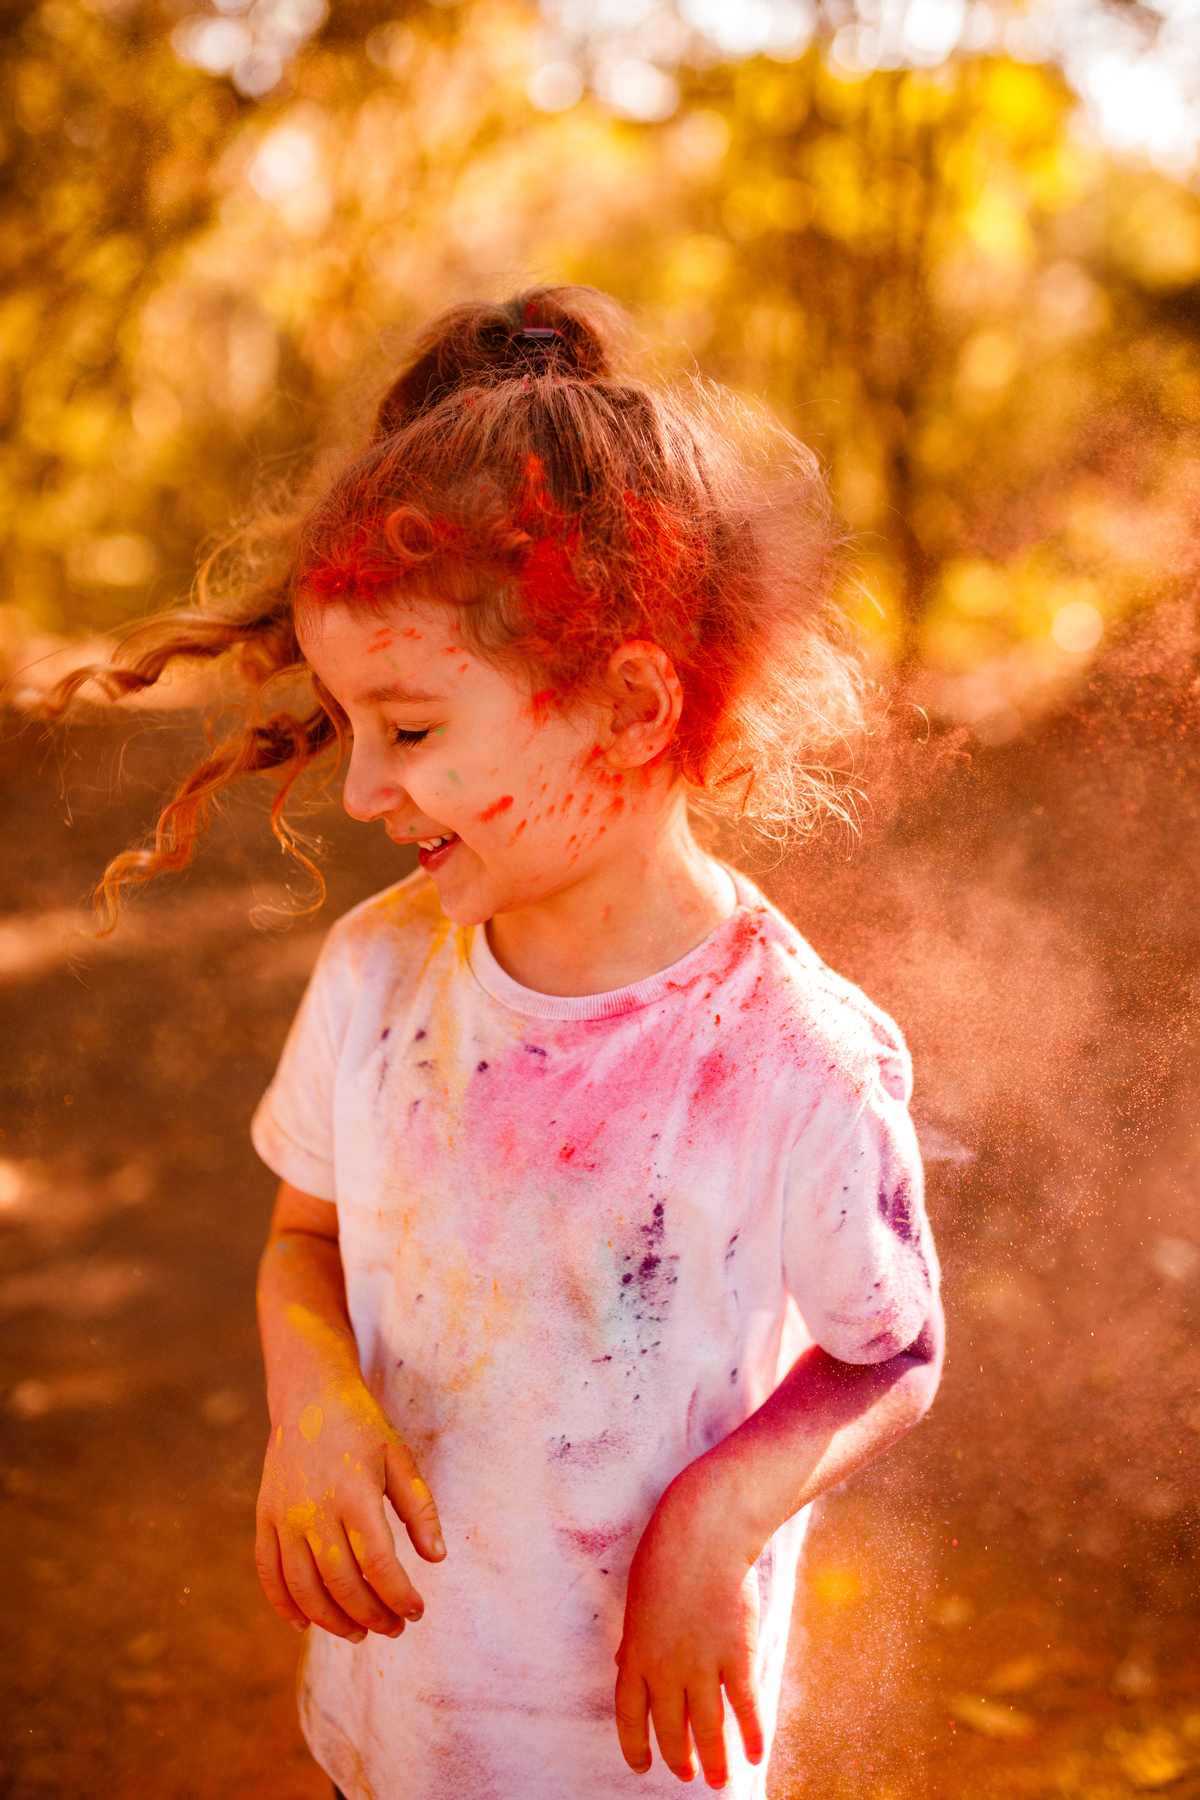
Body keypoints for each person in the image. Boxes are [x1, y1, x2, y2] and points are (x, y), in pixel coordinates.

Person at [57, 287, 942, 1799]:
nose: (357, 793)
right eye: (345, 726)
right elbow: (301, 1241)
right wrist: (315, 1398)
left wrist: (715, 1520)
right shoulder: (377, 975)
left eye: (408, 728)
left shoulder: (794, 1059)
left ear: (627, 705)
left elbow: (893, 1349)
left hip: (631, 1766)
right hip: (387, 1738)